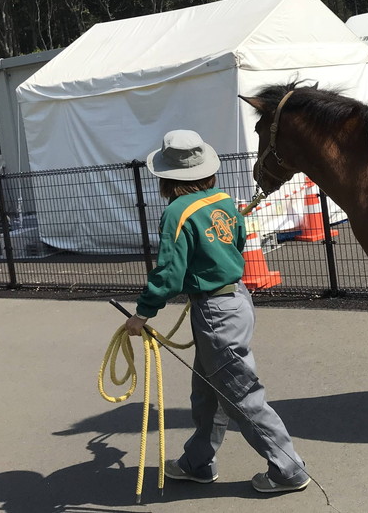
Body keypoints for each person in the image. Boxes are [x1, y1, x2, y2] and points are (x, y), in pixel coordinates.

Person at [124, 129, 310, 495]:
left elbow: (168, 273)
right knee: (209, 389)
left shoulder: (177, 212)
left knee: (240, 392)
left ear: (166, 176)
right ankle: (197, 462)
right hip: (236, 300)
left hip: (213, 312)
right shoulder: (224, 201)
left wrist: (142, 314)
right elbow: (237, 241)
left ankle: (288, 469)